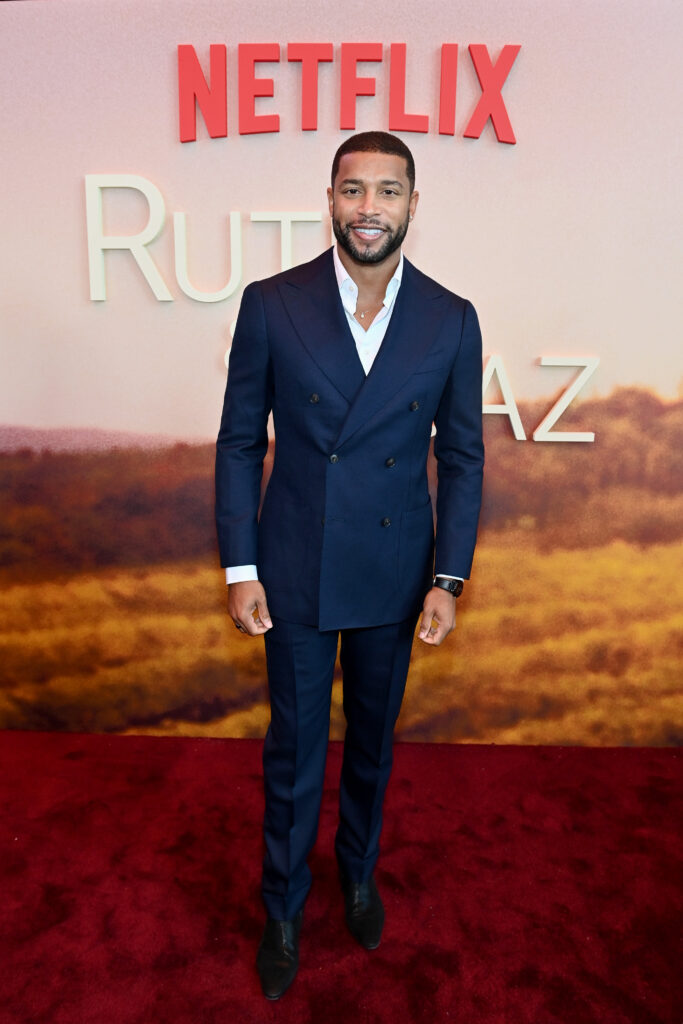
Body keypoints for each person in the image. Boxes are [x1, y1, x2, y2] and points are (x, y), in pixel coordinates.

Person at [215, 131, 484, 1000]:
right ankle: (283, 909)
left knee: (371, 744)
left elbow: (462, 458)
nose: (369, 208)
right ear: (329, 200)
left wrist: (448, 578)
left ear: (413, 204)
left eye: (388, 191)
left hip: (394, 568)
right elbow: (237, 443)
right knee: (293, 750)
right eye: (353, 189)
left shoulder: (451, 317)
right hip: (292, 564)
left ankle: (358, 877)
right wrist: (240, 568)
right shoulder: (271, 303)